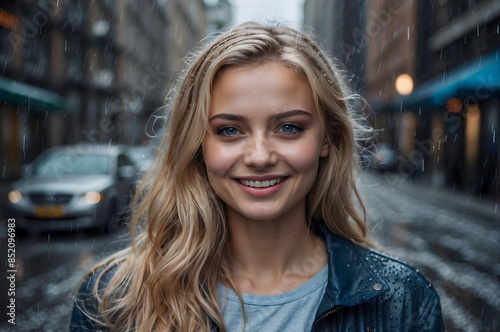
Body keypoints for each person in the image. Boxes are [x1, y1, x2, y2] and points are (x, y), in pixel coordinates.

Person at [70, 22, 444, 331]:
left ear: (327, 139)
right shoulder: (112, 301)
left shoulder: (404, 300)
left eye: (289, 128)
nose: (261, 157)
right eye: (230, 131)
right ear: (197, 144)